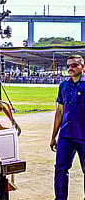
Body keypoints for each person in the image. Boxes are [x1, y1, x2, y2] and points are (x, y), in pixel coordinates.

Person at [50, 55, 85, 200]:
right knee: (60, 169)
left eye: (75, 65)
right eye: (68, 66)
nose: (71, 68)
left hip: (83, 135)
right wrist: (53, 136)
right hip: (66, 136)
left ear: (83, 67)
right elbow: (59, 112)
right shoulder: (63, 85)